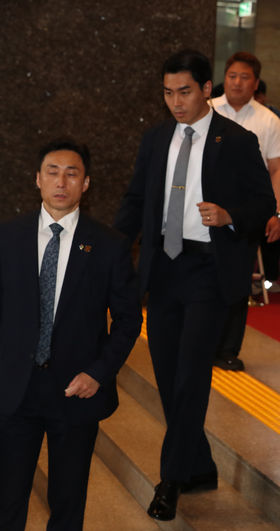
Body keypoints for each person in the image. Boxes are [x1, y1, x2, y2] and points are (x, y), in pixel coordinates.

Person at [114, 49, 275, 521]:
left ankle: (170, 479)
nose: (176, 102)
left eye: (184, 91)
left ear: (207, 89)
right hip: (163, 269)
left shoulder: (237, 140)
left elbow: (263, 204)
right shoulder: (156, 138)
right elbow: (135, 200)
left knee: (190, 375)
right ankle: (199, 465)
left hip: (208, 271)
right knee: (168, 376)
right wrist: (108, 254)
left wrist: (228, 216)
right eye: (168, 93)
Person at [0, 139, 142, 530]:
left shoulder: (109, 245)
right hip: (15, 391)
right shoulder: (8, 237)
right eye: (52, 172)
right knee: (6, 500)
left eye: (71, 173)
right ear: (37, 179)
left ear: (86, 183)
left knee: (67, 502)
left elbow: (128, 320)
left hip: (76, 390)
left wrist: (98, 372)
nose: (61, 182)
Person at [210, 51, 280, 371]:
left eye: (244, 77)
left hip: (248, 212)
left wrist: (278, 214)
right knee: (205, 278)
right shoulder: (207, 110)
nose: (237, 82)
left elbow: (277, 170)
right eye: (232, 76)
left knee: (238, 280)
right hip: (207, 210)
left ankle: (227, 349)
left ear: (255, 83)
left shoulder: (268, 120)